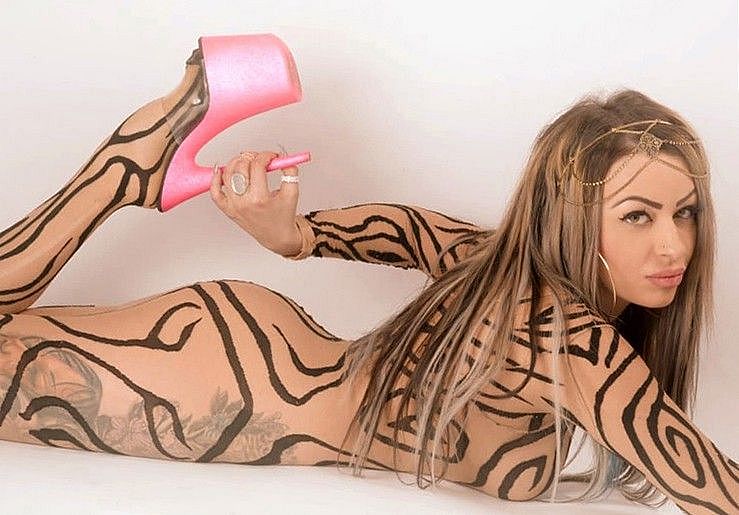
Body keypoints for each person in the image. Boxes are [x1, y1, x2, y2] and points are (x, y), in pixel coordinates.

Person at [0, 38, 736, 515]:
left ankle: (132, 171)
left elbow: (415, 233)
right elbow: (712, 486)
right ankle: (126, 168)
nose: (673, 244)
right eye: (637, 215)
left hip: (247, 359)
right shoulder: (572, 343)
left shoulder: (513, 278)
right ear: (570, 217)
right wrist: (296, 236)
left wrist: (300, 236)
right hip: (227, 387)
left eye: (685, 213)